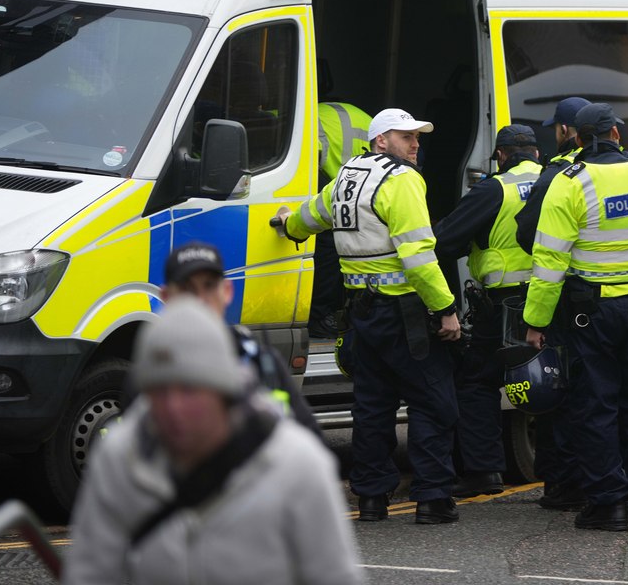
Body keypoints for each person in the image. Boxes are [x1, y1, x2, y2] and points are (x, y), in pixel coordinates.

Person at [64, 298, 360, 585]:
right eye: (159, 390)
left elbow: (334, 575)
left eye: (190, 389)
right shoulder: (119, 455)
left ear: (224, 392)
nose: (174, 407)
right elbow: (90, 571)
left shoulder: (297, 463)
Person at [279, 108, 462, 525]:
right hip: (406, 315)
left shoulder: (348, 176)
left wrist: (287, 225)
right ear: (382, 140)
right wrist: (445, 309)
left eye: (417, 137)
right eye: (405, 137)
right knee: (433, 403)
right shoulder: (402, 180)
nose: (415, 145)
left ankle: (372, 500)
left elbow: (312, 217)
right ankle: (433, 499)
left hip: (361, 316)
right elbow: (418, 255)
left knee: (372, 407)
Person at [523, 102, 628, 531]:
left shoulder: (568, 182)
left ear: (577, 138)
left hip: (588, 313)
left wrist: (536, 321)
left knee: (596, 406)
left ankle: (609, 503)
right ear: (616, 133)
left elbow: (549, 263)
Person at [433, 124, 542, 497]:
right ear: (537, 154)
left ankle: (483, 472)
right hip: (555, 298)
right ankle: (562, 474)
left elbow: (444, 241)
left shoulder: (495, 188)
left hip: (505, 305)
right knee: (556, 380)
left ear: (501, 156)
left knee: (477, 382)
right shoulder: (558, 180)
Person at [514, 96, 591, 512]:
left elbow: (530, 234)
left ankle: (564, 486)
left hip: (566, 298)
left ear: (566, 131)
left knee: (561, 391)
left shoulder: (559, 174)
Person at [160, 242, 321, 439]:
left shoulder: (262, 363)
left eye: (209, 286)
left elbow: (312, 443)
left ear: (227, 291)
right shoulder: (151, 374)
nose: (200, 299)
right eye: (187, 289)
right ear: (166, 297)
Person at [310, 102, 373, 338]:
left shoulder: (305, 120)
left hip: (343, 185)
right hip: (353, 186)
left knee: (327, 245)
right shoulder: (322, 116)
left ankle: (319, 316)